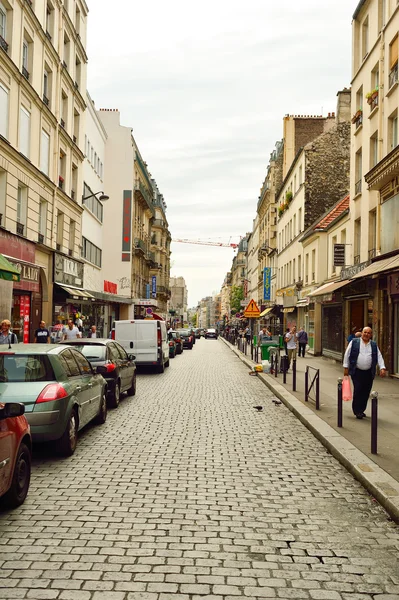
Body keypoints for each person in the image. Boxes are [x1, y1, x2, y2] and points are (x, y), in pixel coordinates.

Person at [343, 326, 387, 419]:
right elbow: (347, 354)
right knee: (358, 390)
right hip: (357, 371)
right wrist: (346, 367)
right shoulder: (354, 342)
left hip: (369, 372)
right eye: (365, 332)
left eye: (368, 333)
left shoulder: (374, 345)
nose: (366, 334)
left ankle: (361, 410)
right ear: (362, 333)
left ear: (371, 335)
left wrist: (382, 367)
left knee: (366, 391)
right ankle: (357, 410)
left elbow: (379, 356)